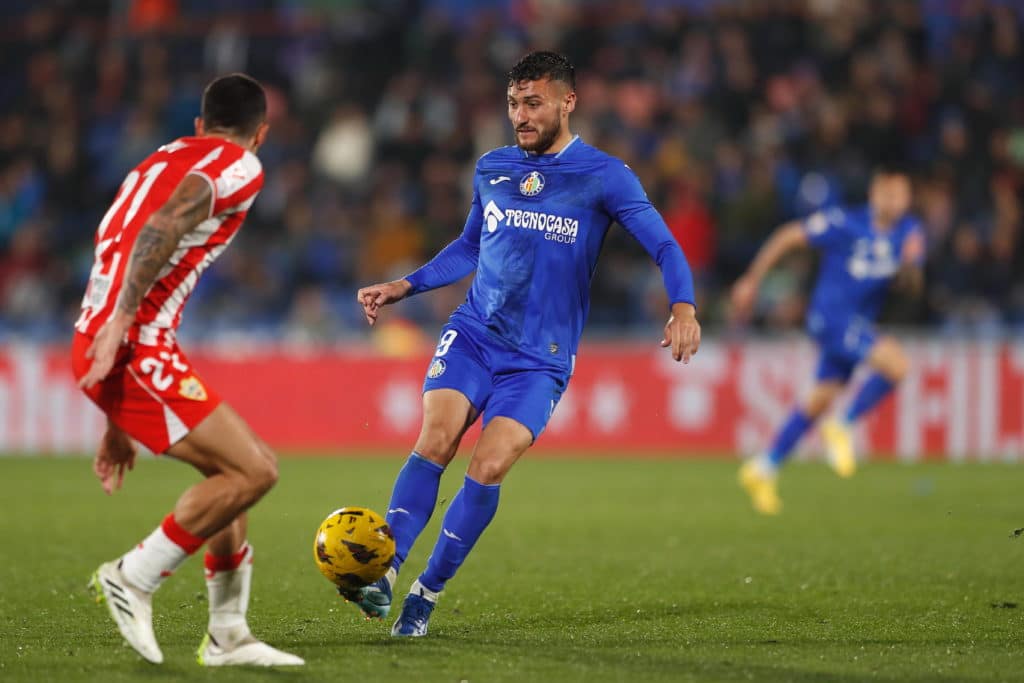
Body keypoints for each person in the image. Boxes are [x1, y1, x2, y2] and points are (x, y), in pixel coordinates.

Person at [353, 51, 702, 637]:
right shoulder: (492, 168)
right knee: (436, 438)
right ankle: (384, 572)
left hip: (539, 360)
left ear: (568, 102)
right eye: (514, 102)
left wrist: (684, 309)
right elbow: (470, 247)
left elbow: (665, 246)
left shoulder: (604, 175)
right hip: (473, 335)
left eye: (533, 102)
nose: (521, 114)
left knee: (488, 467)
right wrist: (404, 286)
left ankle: (426, 592)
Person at [72, 73, 303, 667]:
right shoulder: (239, 163)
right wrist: (124, 327)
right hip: (135, 342)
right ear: (261, 134)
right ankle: (134, 575)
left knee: (231, 474)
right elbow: (161, 227)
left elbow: (116, 242)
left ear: (198, 125)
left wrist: (114, 411)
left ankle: (228, 634)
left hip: (118, 345)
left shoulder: (158, 160)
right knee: (256, 472)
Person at [731, 167, 924, 515]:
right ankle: (844, 423)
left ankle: (763, 468)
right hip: (830, 318)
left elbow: (912, 279)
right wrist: (752, 278)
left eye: (901, 195)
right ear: (873, 195)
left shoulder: (909, 231)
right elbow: (788, 235)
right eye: (888, 194)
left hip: (858, 323)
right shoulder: (844, 224)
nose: (895, 202)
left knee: (818, 399)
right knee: (898, 365)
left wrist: (911, 270)